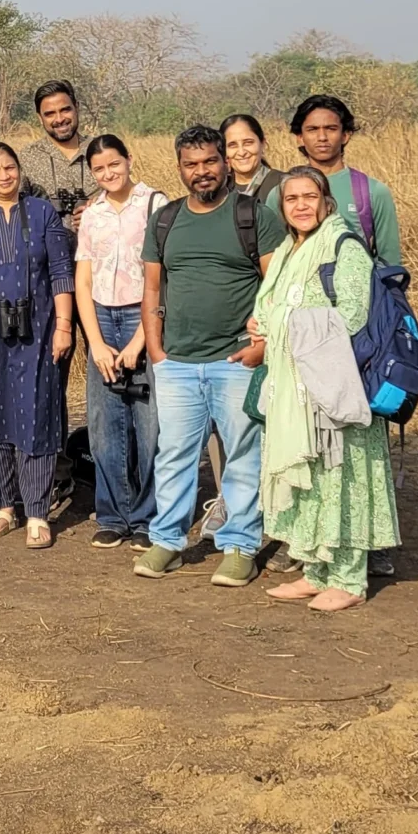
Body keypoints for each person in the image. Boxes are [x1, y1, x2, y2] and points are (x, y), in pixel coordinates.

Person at [133, 125, 283, 585]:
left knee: (242, 455)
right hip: (177, 363)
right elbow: (153, 288)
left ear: (225, 162)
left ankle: (239, 546)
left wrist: (260, 348)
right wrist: (156, 350)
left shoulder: (253, 217)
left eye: (210, 162)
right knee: (174, 455)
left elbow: (276, 289)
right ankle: (167, 541)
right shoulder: (166, 219)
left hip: (235, 361)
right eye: (191, 164)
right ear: (180, 168)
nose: (202, 172)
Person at [248, 166, 399, 611]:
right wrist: (263, 322)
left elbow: (352, 316)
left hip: (333, 385)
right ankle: (316, 571)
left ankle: (349, 579)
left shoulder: (343, 246)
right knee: (312, 480)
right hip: (295, 387)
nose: (300, 206)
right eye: (291, 198)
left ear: (325, 201)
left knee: (343, 477)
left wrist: (283, 323)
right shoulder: (289, 249)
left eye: (309, 197)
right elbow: (273, 304)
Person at [0, 141, 74, 548]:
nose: (4, 176)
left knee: (37, 411)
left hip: (40, 328)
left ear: (19, 169)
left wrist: (64, 326)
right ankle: (3, 505)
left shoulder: (42, 212)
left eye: (9, 167)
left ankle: (37, 511)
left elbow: (61, 271)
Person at [74, 135, 165, 549]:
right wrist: (95, 342)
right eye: (99, 169)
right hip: (101, 317)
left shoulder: (155, 204)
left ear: (129, 160)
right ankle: (113, 515)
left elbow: (161, 278)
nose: (108, 173)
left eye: (114, 164)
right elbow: (83, 280)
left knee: (148, 424)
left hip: (142, 316)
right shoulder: (92, 213)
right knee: (105, 423)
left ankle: (147, 518)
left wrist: (139, 340)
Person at [289, 96, 403, 262]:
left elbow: (390, 261)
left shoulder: (373, 192)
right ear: (300, 137)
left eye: (331, 128)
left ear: (345, 135)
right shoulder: (282, 192)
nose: (322, 137)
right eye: (312, 129)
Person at [17, 83, 97, 238]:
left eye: (65, 110)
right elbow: (14, 212)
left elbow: (126, 201)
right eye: (50, 114)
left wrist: (99, 211)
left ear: (77, 108)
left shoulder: (101, 151)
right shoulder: (26, 158)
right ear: (40, 118)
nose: (59, 119)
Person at [220, 114, 284, 209]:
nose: (241, 152)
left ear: (262, 143)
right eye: (232, 145)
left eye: (248, 143)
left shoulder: (283, 184)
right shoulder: (219, 191)